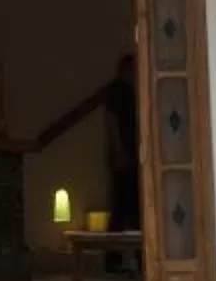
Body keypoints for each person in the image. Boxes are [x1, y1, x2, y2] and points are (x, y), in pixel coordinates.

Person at [34, 49, 141, 235]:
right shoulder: (118, 92)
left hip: (129, 151)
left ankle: (128, 241)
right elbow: (112, 121)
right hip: (124, 153)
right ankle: (121, 244)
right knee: (123, 198)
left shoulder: (130, 92)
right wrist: (119, 150)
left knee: (127, 199)